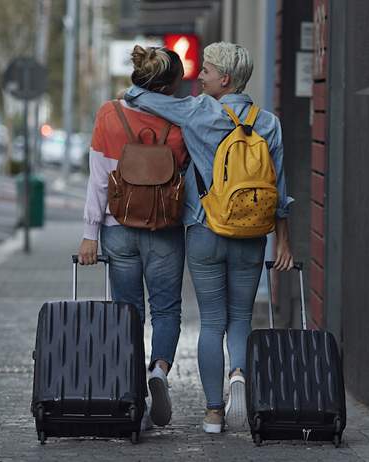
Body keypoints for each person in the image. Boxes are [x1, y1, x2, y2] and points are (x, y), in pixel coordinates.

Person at [124, 42, 295, 433]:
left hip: (205, 230)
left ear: (225, 79)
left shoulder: (197, 110)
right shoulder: (268, 122)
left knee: (212, 321)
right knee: (240, 319)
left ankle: (214, 412)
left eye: (206, 70)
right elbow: (279, 189)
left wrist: (135, 84)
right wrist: (283, 240)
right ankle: (238, 375)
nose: (197, 77)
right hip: (253, 235)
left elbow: (140, 96)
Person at [77, 45, 189, 430]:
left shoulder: (108, 115)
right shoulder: (179, 124)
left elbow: (97, 180)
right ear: (170, 85)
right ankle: (158, 369)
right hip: (164, 229)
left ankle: (134, 397)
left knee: (128, 314)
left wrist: (89, 234)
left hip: (116, 227)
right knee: (167, 310)